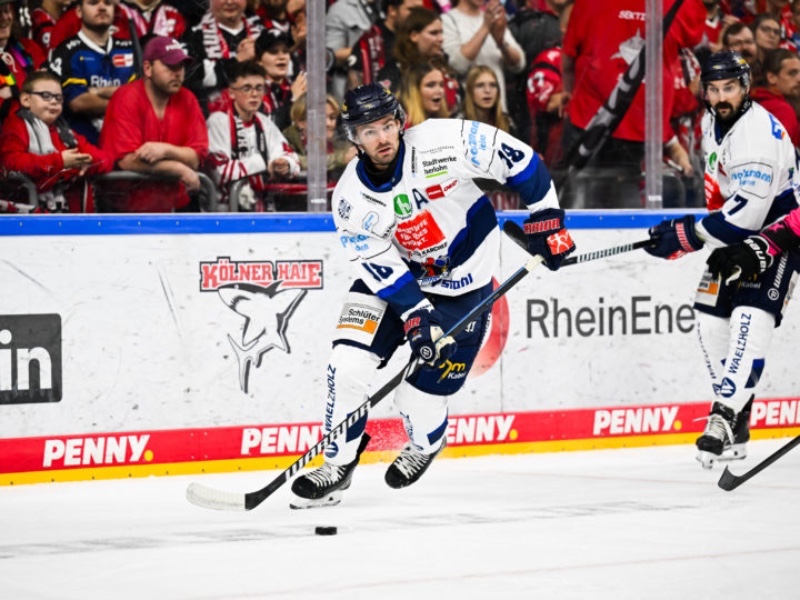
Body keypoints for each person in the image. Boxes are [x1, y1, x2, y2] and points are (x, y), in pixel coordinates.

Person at [288, 82, 575, 508]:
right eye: (369, 131)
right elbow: (379, 265)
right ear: (355, 138)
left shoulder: (443, 141)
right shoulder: (350, 199)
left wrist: (547, 220)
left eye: (387, 125)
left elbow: (518, 159)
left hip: (464, 285)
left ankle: (424, 444)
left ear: (399, 121)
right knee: (346, 366)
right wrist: (416, 314)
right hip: (396, 283)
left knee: (418, 396)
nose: (382, 138)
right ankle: (337, 463)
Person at [643, 51, 800, 469]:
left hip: (777, 234)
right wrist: (695, 236)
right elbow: (723, 197)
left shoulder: (756, 137)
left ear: (745, 87)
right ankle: (738, 423)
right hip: (732, 235)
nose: (720, 97)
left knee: (750, 317)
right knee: (710, 319)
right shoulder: (711, 121)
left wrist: (688, 234)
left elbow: (748, 212)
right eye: (712, 89)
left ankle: (724, 414)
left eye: (729, 88)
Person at [99, 35, 209, 211]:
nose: (178, 73)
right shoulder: (126, 97)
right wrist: (179, 168)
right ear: (148, 68)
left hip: (173, 206)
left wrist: (166, 150)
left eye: (181, 66)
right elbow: (126, 160)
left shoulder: (188, 99)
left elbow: (196, 158)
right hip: (126, 210)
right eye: (170, 66)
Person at [0, 70, 112, 212]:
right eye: (45, 96)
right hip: (27, 218)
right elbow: (11, 165)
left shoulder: (64, 131)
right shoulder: (15, 126)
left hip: (70, 218)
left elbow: (105, 160)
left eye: (59, 98)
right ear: (26, 100)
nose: (54, 101)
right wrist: (60, 163)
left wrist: (85, 163)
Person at [206, 61, 300, 211]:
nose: (254, 94)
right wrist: (264, 162)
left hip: (261, 210)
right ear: (231, 93)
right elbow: (220, 172)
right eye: (247, 88)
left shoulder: (265, 122)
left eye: (259, 88)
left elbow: (291, 157)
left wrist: (284, 164)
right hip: (223, 213)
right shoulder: (218, 121)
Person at [48, 0, 138, 145]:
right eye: (93, 3)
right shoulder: (67, 51)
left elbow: (140, 96)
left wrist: (96, 91)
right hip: (83, 147)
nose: (102, 7)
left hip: (128, 144)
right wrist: (124, 102)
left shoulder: (130, 49)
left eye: (108, 3)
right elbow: (77, 102)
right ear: (79, 11)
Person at [441, 0, 526, 113]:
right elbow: (456, 65)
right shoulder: (447, 20)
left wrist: (501, 43)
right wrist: (485, 27)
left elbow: (519, 65)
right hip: (467, 113)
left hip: (498, 111)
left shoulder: (492, 18)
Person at [181, 0, 264, 115]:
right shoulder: (193, 34)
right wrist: (237, 61)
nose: (229, 2)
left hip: (262, 116)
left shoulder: (262, 29)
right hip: (211, 118)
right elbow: (190, 75)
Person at [281, 92, 356, 181]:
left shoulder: (340, 142)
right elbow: (296, 160)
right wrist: (341, 158)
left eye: (332, 117)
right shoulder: (286, 140)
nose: (328, 124)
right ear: (301, 122)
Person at [750, 47, 800, 147]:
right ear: (771, 77)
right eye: (792, 73)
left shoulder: (755, 100)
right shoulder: (781, 109)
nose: (799, 79)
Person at [460, 64, 511, 134]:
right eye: (480, 85)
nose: (487, 90)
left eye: (493, 85)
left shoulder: (507, 123)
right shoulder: (459, 124)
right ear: (470, 91)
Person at [397, 60, 449, 127]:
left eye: (441, 85)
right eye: (430, 85)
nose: (439, 91)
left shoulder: (444, 123)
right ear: (413, 91)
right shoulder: (399, 125)